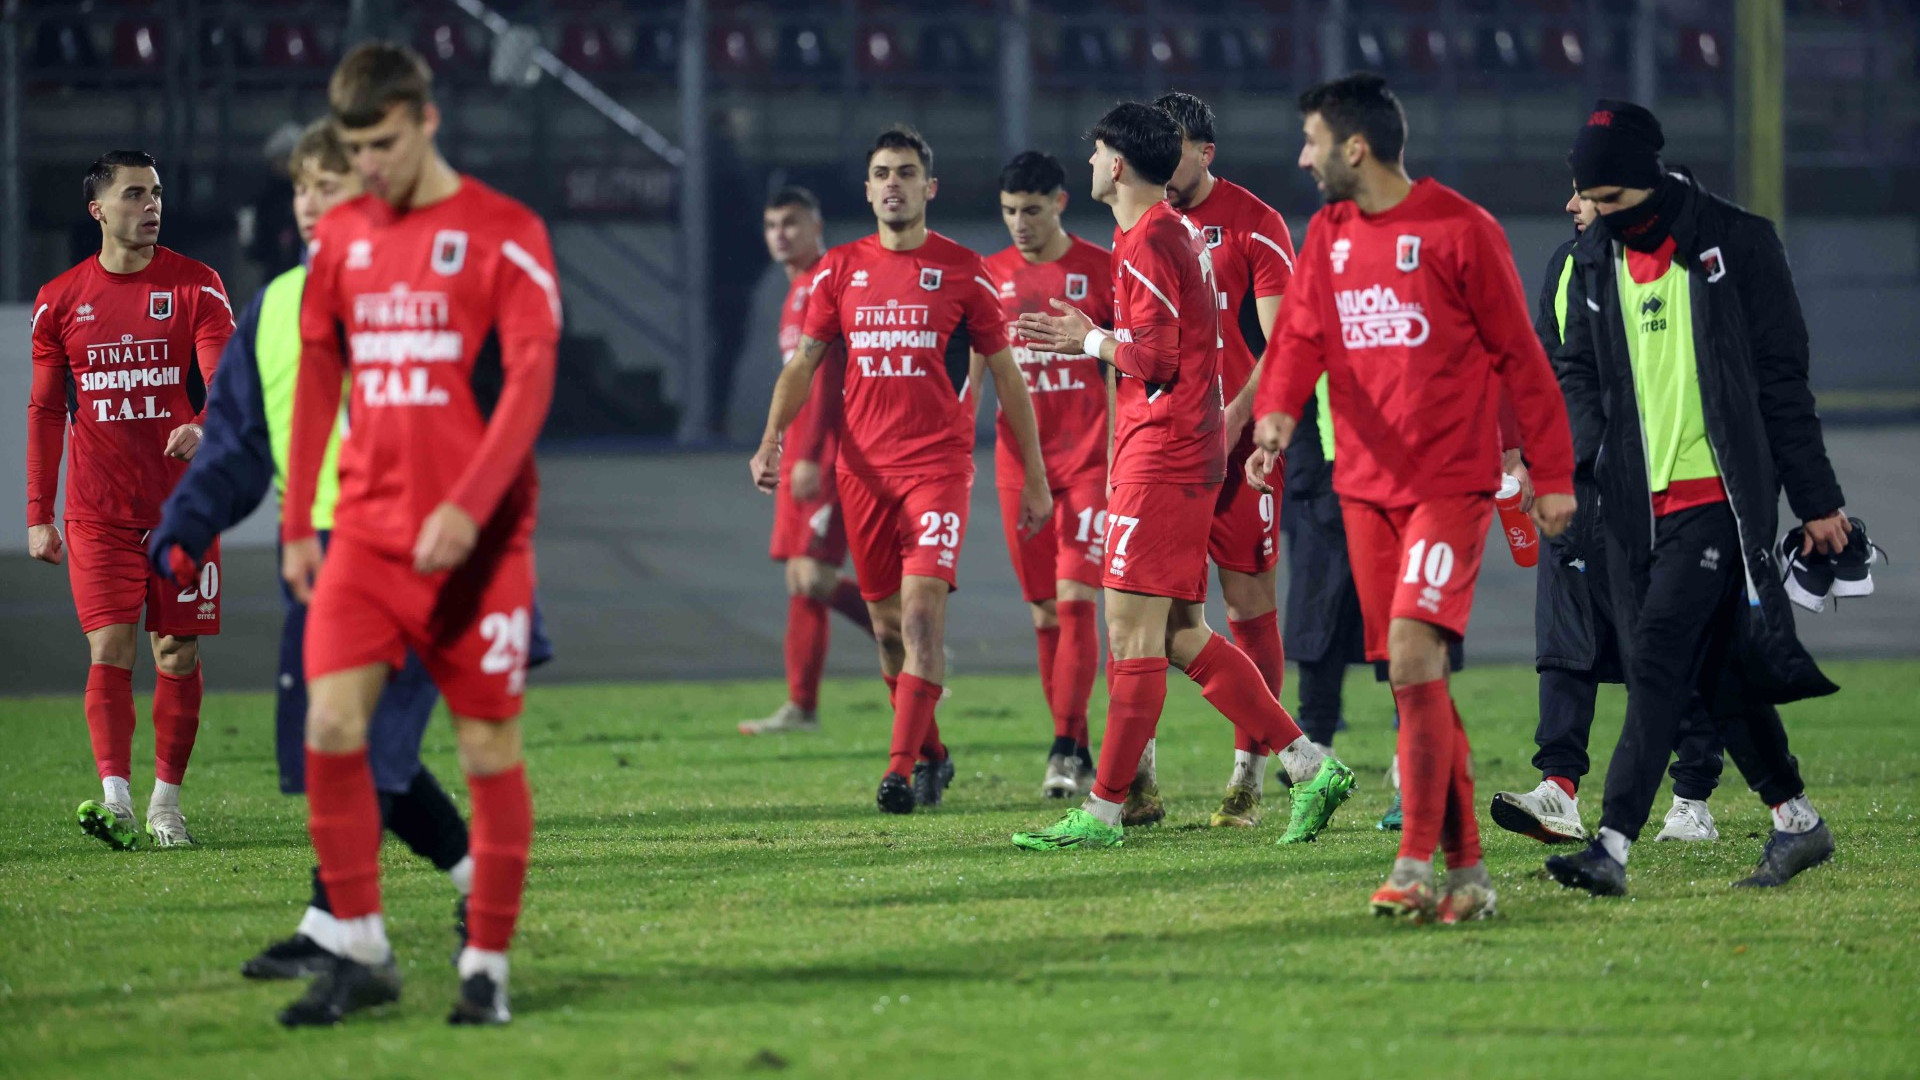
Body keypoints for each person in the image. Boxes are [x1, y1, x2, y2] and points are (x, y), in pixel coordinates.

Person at [144, 118, 554, 980]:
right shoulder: (277, 308)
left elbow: (510, 411)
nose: (309, 202)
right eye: (301, 187)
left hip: (432, 556)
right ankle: (438, 890)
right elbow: (236, 443)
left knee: (361, 748)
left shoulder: (433, 284)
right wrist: (187, 521)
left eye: (328, 185)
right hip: (324, 561)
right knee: (344, 750)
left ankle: (346, 936)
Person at [274, 42, 561, 1026]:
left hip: (478, 550)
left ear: (426, 120)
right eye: (355, 148)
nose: (369, 166)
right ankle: (358, 945)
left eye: (384, 143)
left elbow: (528, 381)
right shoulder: (344, 237)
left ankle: (485, 962)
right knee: (330, 725)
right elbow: (318, 370)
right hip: (363, 530)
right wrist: (299, 519)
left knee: (487, 749)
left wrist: (468, 504)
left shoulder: (503, 233)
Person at [1248, 74, 1577, 922]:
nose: (1304, 157)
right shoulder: (1327, 233)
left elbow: (1523, 362)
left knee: (1413, 660)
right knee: (1413, 680)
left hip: (1446, 488)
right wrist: (1277, 421)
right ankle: (1470, 875)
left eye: (1313, 140)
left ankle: (1414, 865)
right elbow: (1301, 338)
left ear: (1354, 147)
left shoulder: (1462, 231)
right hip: (1362, 489)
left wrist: (1553, 476)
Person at [1010, 102, 1354, 852]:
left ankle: (1105, 811)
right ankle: (1307, 763)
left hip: (1164, 451)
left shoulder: (1150, 241)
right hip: (1169, 447)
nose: (1091, 162)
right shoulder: (1159, 233)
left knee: (1131, 632)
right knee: (1177, 633)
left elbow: (1158, 360)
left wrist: (1088, 337)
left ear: (1121, 164)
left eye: (1097, 151)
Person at [1542, 101, 1850, 897]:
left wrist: (1817, 500)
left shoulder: (1739, 243)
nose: (1599, 218)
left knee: (1656, 659)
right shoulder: (1599, 260)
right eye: (1591, 203)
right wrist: (1580, 465)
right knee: (1714, 667)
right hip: (1632, 506)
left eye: (1611, 202)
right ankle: (1795, 821)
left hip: (1717, 498)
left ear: (1649, 180)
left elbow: (1783, 384)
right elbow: (1577, 370)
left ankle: (1610, 845)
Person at [750, 126, 1052, 814]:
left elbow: (1007, 378)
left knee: (920, 621)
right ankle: (935, 755)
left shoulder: (965, 271)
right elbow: (804, 366)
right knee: (887, 632)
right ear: (868, 188)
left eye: (906, 173)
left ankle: (897, 769)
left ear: (928, 188)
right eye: (882, 172)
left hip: (937, 471)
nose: (893, 183)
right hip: (863, 475)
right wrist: (772, 439)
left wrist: (1034, 477)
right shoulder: (839, 270)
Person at [1490, 182, 1726, 847]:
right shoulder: (1567, 268)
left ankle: (1691, 796)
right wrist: (1531, 460)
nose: (1570, 206)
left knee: (1668, 642)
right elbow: (1543, 372)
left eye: (1586, 195)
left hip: (1661, 485)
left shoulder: (1684, 265)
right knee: (1565, 635)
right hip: (1579, 485)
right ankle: (1558, 789)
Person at [27, 149, 234, 851]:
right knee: (110, 649)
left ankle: (165, 806)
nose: (152, 206)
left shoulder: (196, 286)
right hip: (97, 510)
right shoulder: (59, 300)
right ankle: (116, 799)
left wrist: (203, 428)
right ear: (99, 210)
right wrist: (37, 513)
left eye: (157, 194)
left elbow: (225, 382)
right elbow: (46, 411)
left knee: (176, 653)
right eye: (135, 194)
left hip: (184, 508)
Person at [1149, 92, 1301, 831]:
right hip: (1162, 450)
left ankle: (1250, 776)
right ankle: (1136, 778)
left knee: (1247, 608)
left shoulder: (1255, 224)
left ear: (1205, 153)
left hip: (1240, 451)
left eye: (1171, 145)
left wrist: (1236, 418)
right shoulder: (1140, 224)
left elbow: (1283, 345)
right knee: (1151, 612)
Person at [981, 151, 1113, 799]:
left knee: (1076, 601)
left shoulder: (1100, 270)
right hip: (1019, 466)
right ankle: (1078, 741)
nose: (1019, 224)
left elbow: (1127, 361)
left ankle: (1062, 749)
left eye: (1031, 210)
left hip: (1090, 462)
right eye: (1008, 212)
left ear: (1060, 202)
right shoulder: (991, 276)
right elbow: (974, 374)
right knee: (1042, 615)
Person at [738, 185, 876, 735]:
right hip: (800, 447)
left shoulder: (826, 281)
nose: (780, 234)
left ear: (816, 224)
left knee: (816, 576)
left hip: (829, 450)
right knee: (800, 578)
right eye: (772, 225)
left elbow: (827, 381)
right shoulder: (793, 289)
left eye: (791, 223)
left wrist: (813, 453)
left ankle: (911, 637)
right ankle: (801, 707)